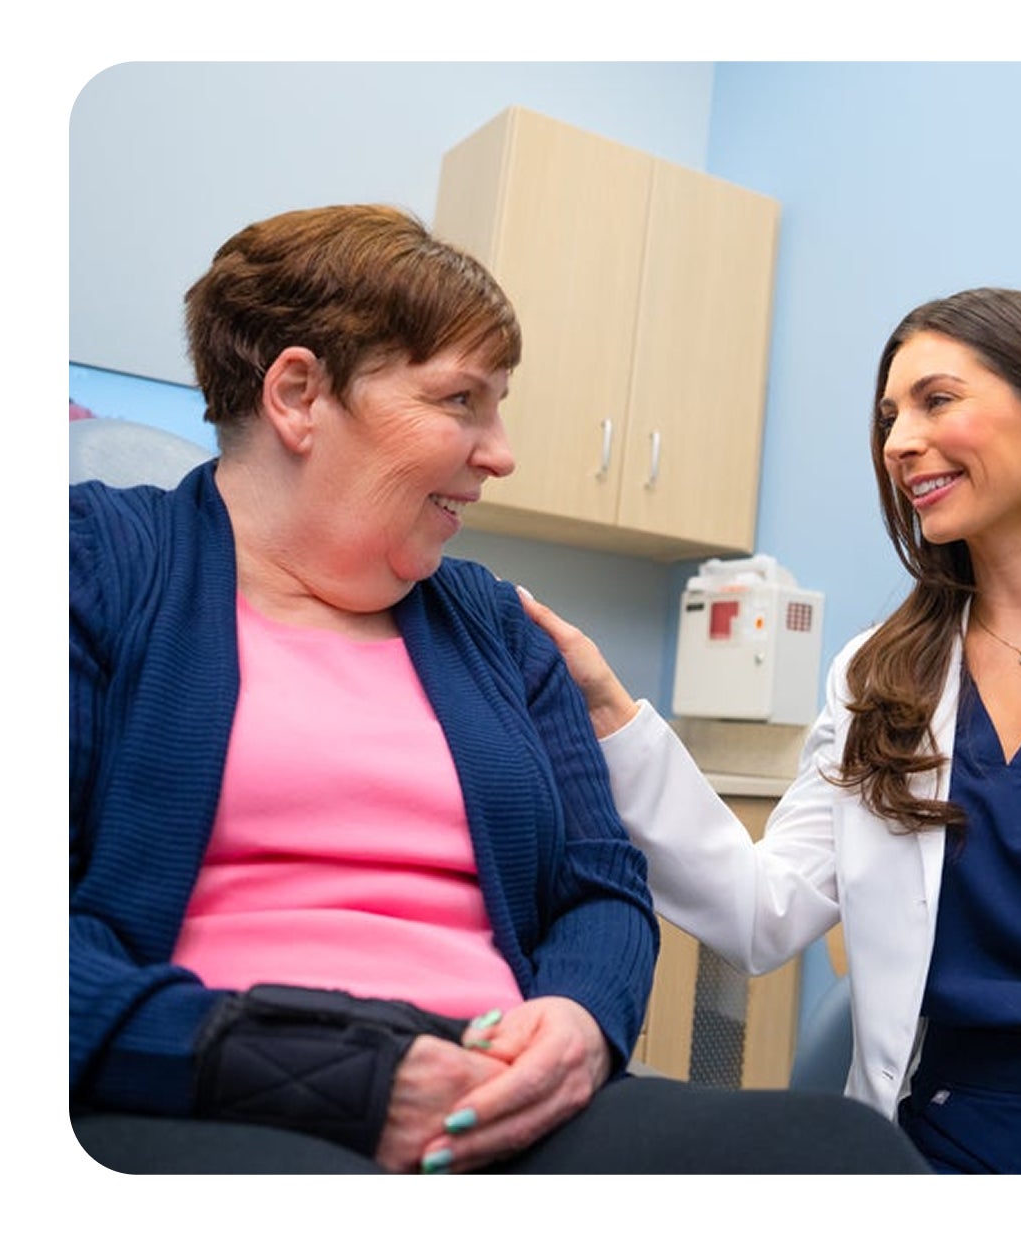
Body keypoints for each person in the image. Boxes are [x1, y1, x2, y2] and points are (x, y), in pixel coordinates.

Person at [68, 203, 932, 1176]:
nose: (502, 449)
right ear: (300, 394)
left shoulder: (493, 627)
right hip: (207, 1078)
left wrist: (580, 1021)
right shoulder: (93, 569)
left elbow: (601, 887)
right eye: (462, 401)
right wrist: (307, 1073)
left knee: (841, 1156)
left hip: (498, 1090)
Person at [521, 286, 1021, 1174]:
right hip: (931, 1141)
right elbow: (761, 910)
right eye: (889, 416)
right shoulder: (878, 675)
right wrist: (614, 719)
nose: (900, 441)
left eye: (937, 401)